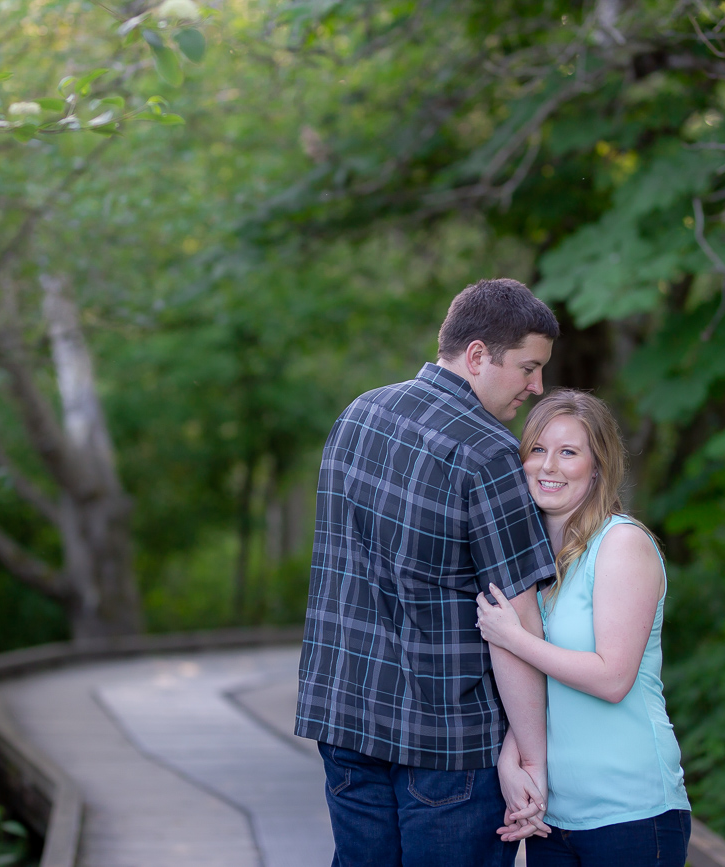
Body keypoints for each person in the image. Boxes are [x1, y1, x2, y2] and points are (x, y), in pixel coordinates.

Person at [296, 277, 561, 867]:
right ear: (476, 356)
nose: (537, 387)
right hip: (444, 741)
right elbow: (516, 619)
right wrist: (533, 758)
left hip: (343, 718)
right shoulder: (488, 452)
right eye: (527, 368)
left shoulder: (357, 414)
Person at [475, 389, 691, 867]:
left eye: (568, 452)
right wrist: (513, 759)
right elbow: (548, 686)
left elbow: (612, 678)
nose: (548, 465)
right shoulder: (532, 564)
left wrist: (514, 638)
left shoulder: (621, 544)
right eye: (537, 449)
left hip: (631, 814)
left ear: (597, 467)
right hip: (555, 819)